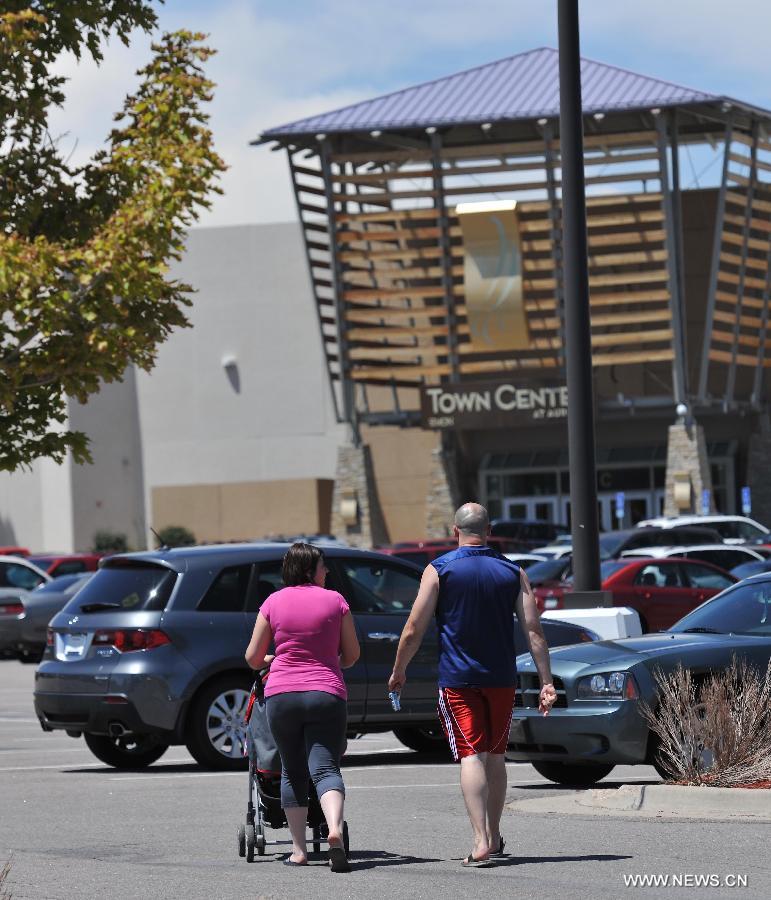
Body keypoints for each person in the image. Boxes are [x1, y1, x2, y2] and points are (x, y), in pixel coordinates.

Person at [388, 502, 557, 867]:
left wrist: (399, 668)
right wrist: (546, 680)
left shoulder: (439, 570)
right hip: (500, 679)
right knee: (496, 756)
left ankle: (480, 840)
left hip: (459, 680)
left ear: (455, 531)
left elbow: (414, 628)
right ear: (490, 530)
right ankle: (494, 836)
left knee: (471, 754)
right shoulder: (513, 571)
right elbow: (533, 630)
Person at [245, 542, 360, 872]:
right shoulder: (336, 601)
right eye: (323, 566)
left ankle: (298, 851)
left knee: (292, 770)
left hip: (282, 695)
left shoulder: (272, 602)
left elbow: (253, 658)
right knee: (326, 769)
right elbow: (351, 656)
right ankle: (334, 829)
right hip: (326, 693)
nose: (326, 572)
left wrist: (274, 658)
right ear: (310, 569)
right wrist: (326, 661)